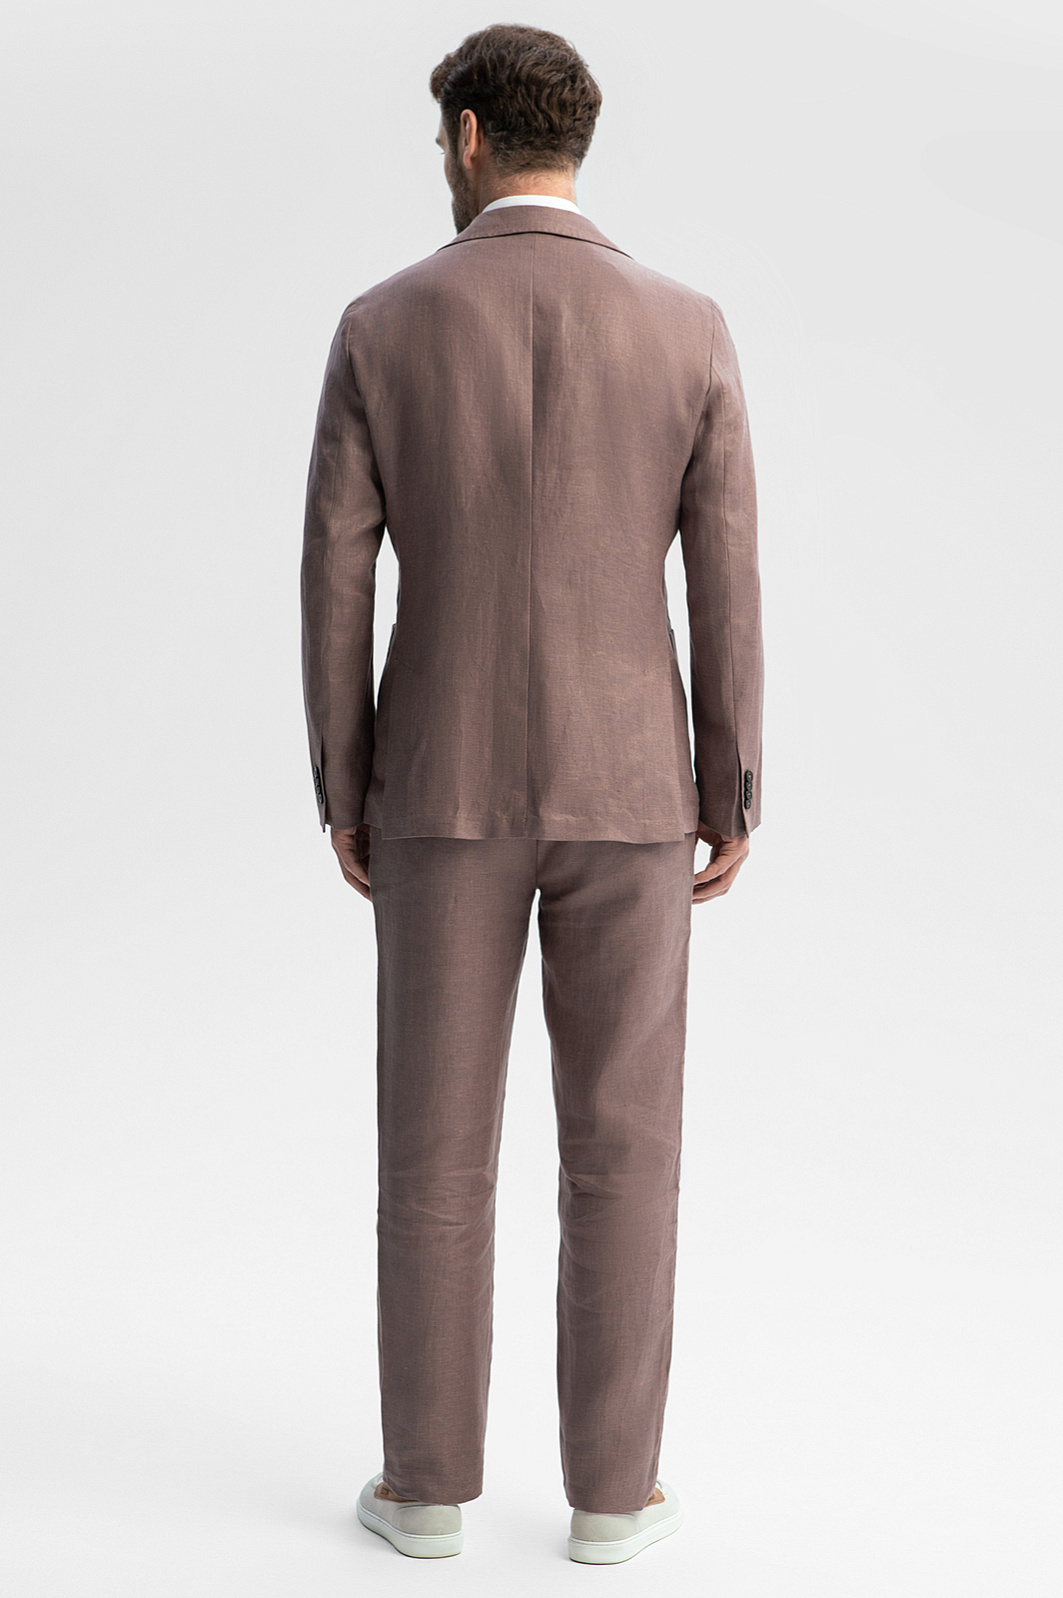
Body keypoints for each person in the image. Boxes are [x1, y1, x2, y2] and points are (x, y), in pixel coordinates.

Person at [299, 22, 763, 1565]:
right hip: (636, 792)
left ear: (472, 137)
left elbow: (336, 574)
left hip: (437, 787)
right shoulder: (689, 327)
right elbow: (725, 577)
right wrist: (730, 783)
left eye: (443, 137)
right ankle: (613, 1499)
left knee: (432, 1151)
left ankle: (426, 1488)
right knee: (626, 1147)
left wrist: (347, 780)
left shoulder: (383, 325)